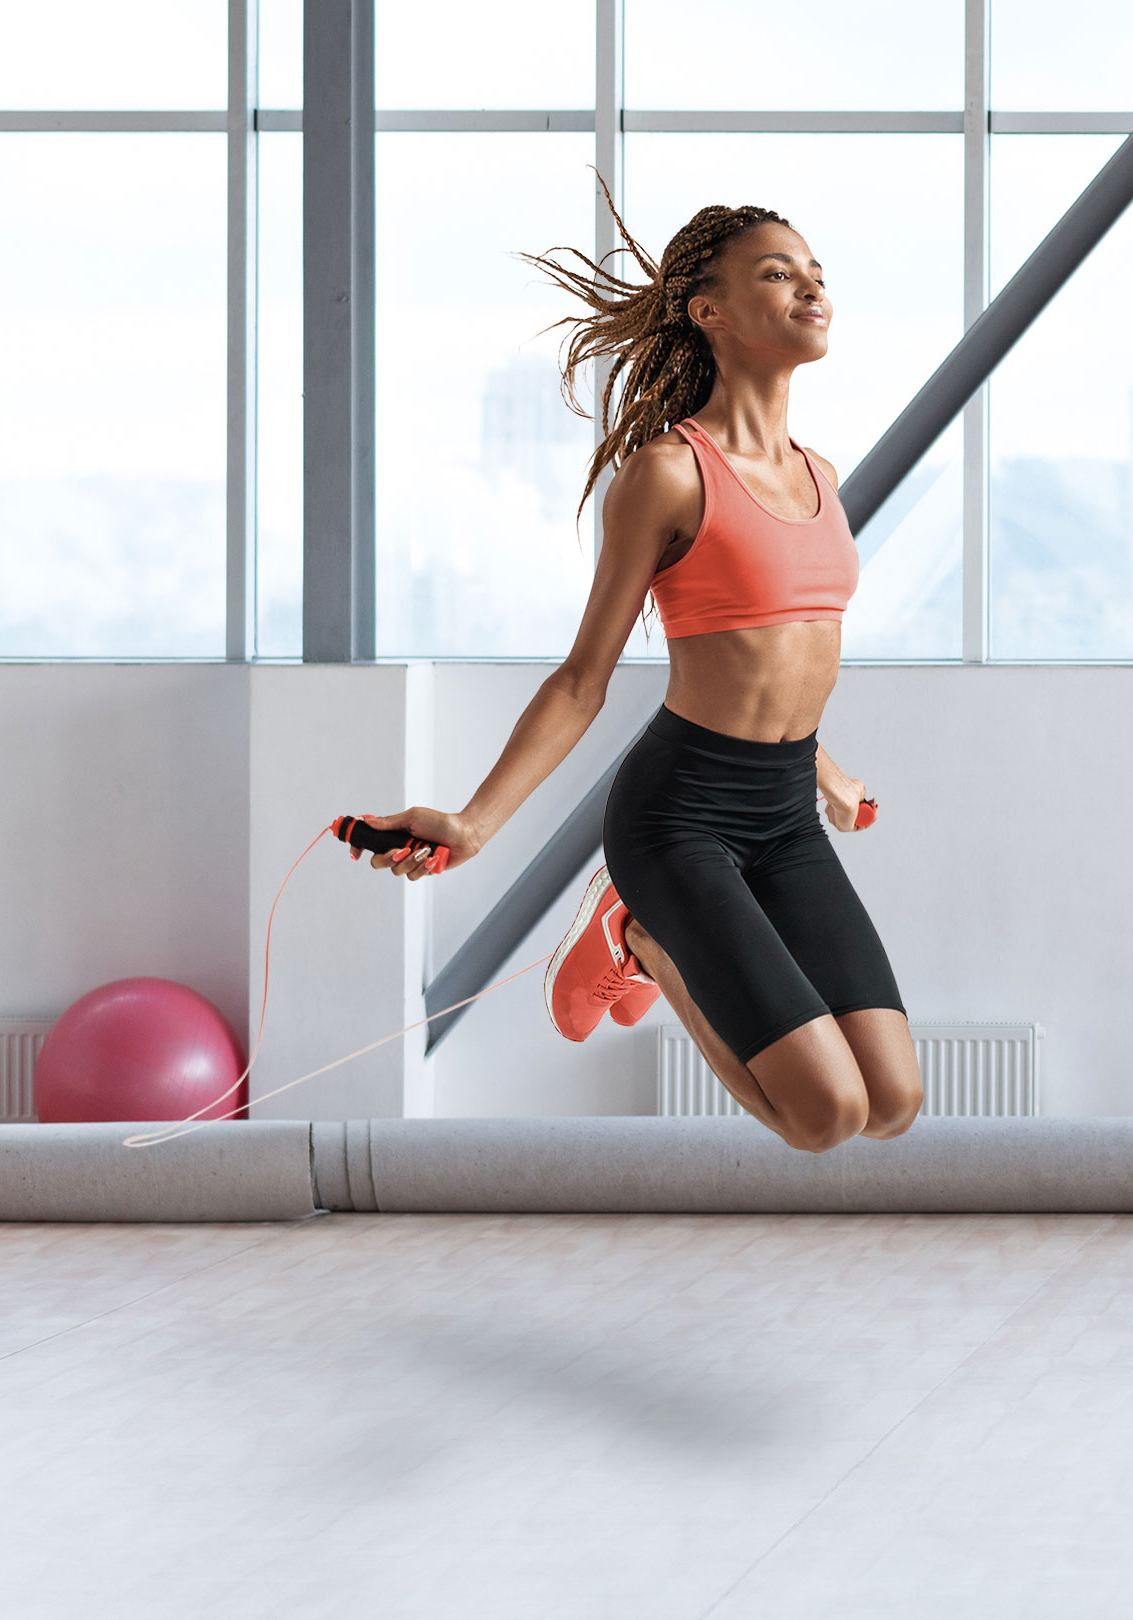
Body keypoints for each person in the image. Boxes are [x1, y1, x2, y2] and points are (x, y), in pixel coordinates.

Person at [355, 196, 922, 1152]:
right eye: (779, 272)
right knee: (827, 1117)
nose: (812, 285)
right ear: (710, 311)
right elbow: (584, 679)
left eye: (817, 270)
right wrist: (474, 823)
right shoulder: (668, 473)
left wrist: (827, 773)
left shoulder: (822, 475)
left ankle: (652, 939)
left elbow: (782, 663)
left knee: (894, 1103)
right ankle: (643, 940)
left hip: (783, 810)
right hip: (680, 817)